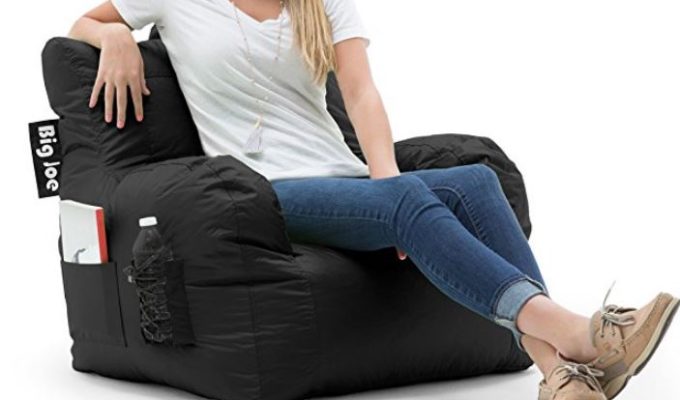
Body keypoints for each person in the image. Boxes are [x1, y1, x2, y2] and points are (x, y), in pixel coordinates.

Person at [68, 1, 678, 399]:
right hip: (263, 191)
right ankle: (575, 332)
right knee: (407, 199)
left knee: (476, 180)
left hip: (343, 177)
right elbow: (83, 24)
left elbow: (361, 94)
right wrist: (116, 35)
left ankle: (559, 376)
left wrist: (385, 181)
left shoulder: (318, 3)